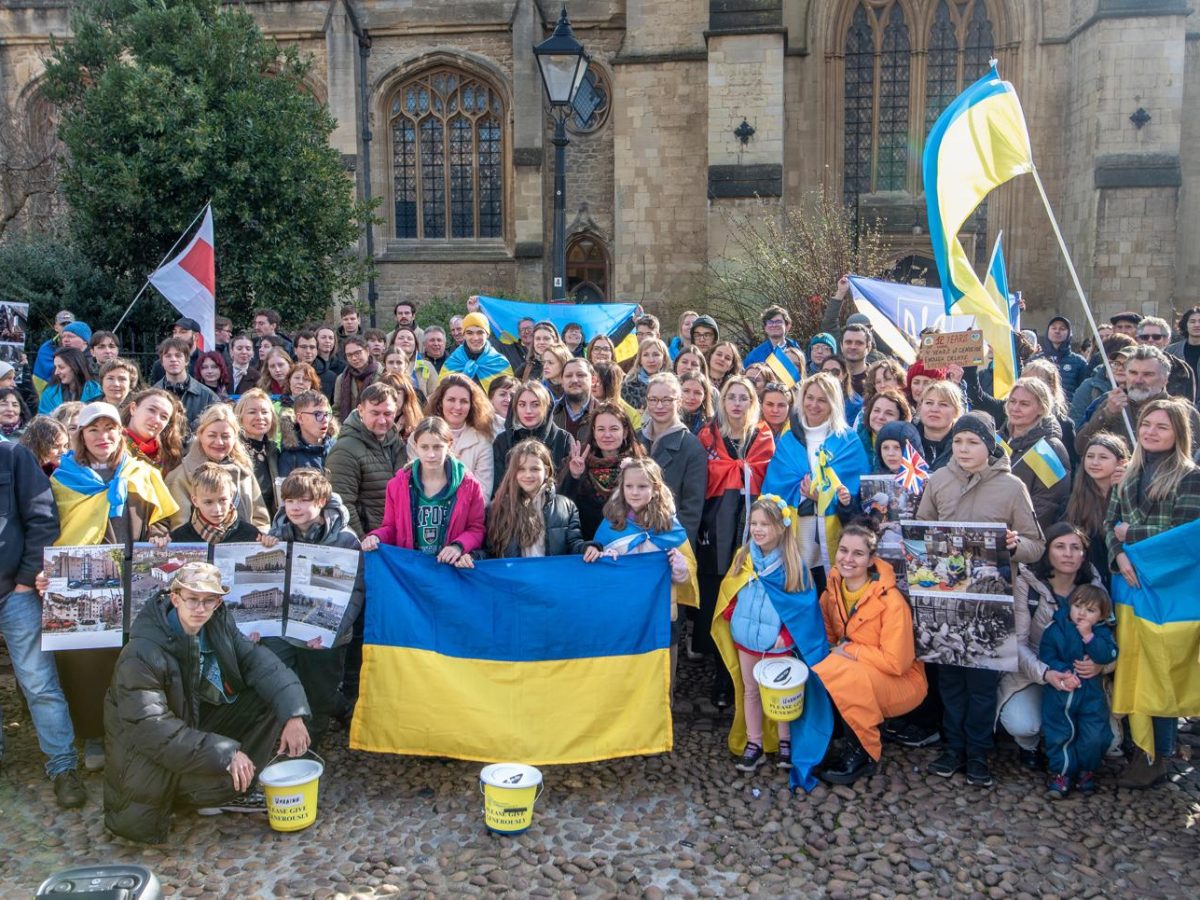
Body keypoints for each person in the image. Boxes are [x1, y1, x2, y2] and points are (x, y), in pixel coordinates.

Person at [103, 562, 311, 842]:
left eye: (209, 601)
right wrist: (226, 753)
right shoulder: (141, 652)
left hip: (192, 725)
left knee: (271, 698)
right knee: (223, 767)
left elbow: (262, 665)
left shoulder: (217, 623)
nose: (200, 608)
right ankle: (205, 792)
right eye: (192, 599)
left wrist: (293, 714)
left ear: (218, 602)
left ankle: (236, 786)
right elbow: (152, 731)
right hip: (151, 759)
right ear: (175, 598)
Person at [49, 401, 179, 774]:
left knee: (135, 657)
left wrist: (158, 534)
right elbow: (50, 529)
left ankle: (137, 731)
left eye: (109, 429)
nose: (102, 437)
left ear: (120, 432)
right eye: (93, 430)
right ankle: (94, 735)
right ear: (81, 436)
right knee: (87, 662)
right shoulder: (62, 479)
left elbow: (162, 520)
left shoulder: (142, 473)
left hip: (133, 582)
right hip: (83, 584)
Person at [917, 411, 1045, 788]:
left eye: (972, 442)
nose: (964, 449)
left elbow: (1035, 545)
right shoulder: (938, 480)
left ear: (989, 447)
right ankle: (952, 748)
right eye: (958, 442)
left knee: (982, 685)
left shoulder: (1011, 487)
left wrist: (1014, 544)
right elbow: (921, 530)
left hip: (991, 604)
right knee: (951, 680)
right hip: (947, 599)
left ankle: (978, 752)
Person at [1105, 398, 1200, 788]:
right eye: (1147, 424)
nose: (1150, 431)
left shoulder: (1191, 475)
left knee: (1162, 672)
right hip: (1129, 587)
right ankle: (1142, 752)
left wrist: (1133, 539)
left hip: (1168, 592)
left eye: (1162, 426)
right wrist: (1118, 557)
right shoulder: (1129, 473)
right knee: (1135, 670)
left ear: (1179, 433)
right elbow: (1110, 524)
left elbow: (1188, 536)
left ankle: (1160, 752)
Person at [711, 495, 828, 781]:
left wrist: (786, 634)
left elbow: (802, 609)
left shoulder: (791, 565)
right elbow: (731, 590)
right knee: (750, 691)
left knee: (782, 695)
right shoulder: (744, 557)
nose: (758, 529)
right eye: (754, 523)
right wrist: (732, 615)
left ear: (780, 527)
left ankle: (785, 741)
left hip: (777, 645)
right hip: (746, 640)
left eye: (765, 524)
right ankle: (755, 742)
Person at [0, 439, 86, 808]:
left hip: (13, 590)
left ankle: (63, 766)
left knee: (39, 682)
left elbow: (41, 516)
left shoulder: (11, 454)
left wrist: (24, 579)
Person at [813, 523, 927, 784]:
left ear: (871, 560)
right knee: (825, 667)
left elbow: (897, 663)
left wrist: (849, 651)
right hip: (858, 670)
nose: (848, 559)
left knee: (841, 670)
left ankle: (862, 753)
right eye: (843, 550)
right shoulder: (833, 590)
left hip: (902, 682)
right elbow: (828, 633)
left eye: (858, 554)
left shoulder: (892, 602)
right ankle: (834, 737)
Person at [259, 469, 363, 744]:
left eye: (303, 500)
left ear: (321, 501)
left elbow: (355, 592)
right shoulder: (277, 533)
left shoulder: (346, 540)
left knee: (320, 693)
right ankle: (295, 741)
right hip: (284, 631)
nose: (295, 507)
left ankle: (316, 739)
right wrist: (268, 544)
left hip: (327, 635)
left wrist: (331, 632)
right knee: (283, 684)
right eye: (290, 500)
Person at [997, 523, 1110, 772]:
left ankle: (1073, 753)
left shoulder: (1094, 586)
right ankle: (1030, 746)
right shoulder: (1027, 583)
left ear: (1084, 553)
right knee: (1024, 723)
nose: (1068, 553)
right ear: (1047, 550)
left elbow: (1112, 640)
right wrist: (1046, 673)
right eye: (1060, 546)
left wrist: (1102, 664)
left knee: (1110, 740)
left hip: (1083, 681)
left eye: (1075, 547)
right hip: (1036, 672)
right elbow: (1017, 643)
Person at [587, 457, 698, 693]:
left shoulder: (670, 525)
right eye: (629, 486)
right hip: (625, 614)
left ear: (655, 488)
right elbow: (597, 571)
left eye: (642, 486)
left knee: (663, 675)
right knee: (628, 675)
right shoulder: (610, 525)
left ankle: (663, 720)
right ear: (621, 488)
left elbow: (689, 571)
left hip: (664, 615)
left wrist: (679, 567)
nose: (635, 492)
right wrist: (604, 560)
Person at [696, 376, 775, 707]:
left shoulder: (764, 438)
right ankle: (722, 674)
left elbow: (769, 479)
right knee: (717, 604)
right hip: (715, 534)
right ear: (723, 401)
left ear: (752, 402)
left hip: (753, 532)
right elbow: (701, 480)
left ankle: (752, 678)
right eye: (732, 397)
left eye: (744, 397)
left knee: (749, 606)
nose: (738, 403)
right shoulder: (707, 437)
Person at [762, 372, 869, 592]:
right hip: (796, 530)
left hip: (833, 532)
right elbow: (775, 484)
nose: (814, 405)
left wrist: (825, 496)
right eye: (809, 398)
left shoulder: (849, 440)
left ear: (833, 404)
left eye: (822, 400)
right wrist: (803, 493)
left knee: (827, 592)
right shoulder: (789, 437)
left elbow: (857, 490)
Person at [362, 416, 487, 563]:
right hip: (412, 568)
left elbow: (476, 529)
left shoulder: (470, 485)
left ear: (449, 445)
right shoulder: (397, 485)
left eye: (437, 447)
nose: (431, 454)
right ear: (415, 446)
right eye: (424, 447)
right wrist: (376, 536)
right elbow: (391, 527)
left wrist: (458, 546)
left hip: (449, 569)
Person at [1039, 585, 1118, 799]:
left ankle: (1087, 770)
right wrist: (1063, 672)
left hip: (1092, 697)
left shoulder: (1101, 633)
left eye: (1090, 610)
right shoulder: (1056, 628)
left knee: (1094, 736)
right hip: (1060, 696)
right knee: (1060, 735)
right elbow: (1046, 654)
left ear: (1101, 615)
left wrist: (1089, 638)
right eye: (1078, 606)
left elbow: (1108, 654)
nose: (1082, 613)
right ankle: (1061, 773)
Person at [1076, 345, 1200, 456]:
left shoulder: (1185, 412)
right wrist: (1107, 414)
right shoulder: (1111, 403)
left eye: (1148, 374)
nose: (1138, 380)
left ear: (1165, 379)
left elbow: (1191, 458)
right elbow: (1081, 448)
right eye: (1133, 373)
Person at [166, 404, 270, 532]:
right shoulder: (181, 476)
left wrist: (255, 541)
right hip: (201, 548)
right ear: (200, 434)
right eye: (212, 435)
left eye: (225, 436)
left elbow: (261, 520)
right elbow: (179, 528)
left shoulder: (245, 473)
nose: (219, 442)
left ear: (235, 438)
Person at [326, 382, 407, 537]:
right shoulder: (345, 450)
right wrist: (362, 540)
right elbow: (342, 503)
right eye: (375, 413)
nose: (382, 420)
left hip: (395, 536)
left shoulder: (396, 442)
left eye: (388, 414)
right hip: (369, 541)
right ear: (361, 410)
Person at [637, 373, 707, 547]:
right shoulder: (636, 439)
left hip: (669, 541)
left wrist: (676, 546)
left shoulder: (692, 447)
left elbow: (691, 510)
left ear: (679, 401)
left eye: (667, 400)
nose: (659, 406)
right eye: (653, 399)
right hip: (633, 538)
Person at [484, 439, 585, 558]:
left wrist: (588, 548)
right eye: (521, 469)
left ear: (546, 472)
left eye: (535, 469)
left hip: (550, 575)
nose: (528, 475)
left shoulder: (566, 507)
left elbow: (574, 545)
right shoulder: (497, 508)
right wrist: (471, 556)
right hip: (514, 576)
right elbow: (489, 552)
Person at [561, 401, 644, 539]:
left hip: (627, 545)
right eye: (601, 429)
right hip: (587, 547)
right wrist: (574, 476)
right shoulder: (580, 459)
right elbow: (564, 507)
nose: (607, 435)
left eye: (613, 429)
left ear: (625, 432)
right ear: (593, 432)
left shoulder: (639, 464)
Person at [999, 378, 1072, 534]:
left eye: (1024, 404)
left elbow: (1047, 503)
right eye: (1012, 401)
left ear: (1041, 408)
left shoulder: (1049, 448)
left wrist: (1018, 536)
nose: (1015, 408)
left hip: (1022, 539)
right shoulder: (996, 440)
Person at [1065, 432, 1130, 589]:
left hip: (1125, 575)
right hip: (1088, 580)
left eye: (1103, 457)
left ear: (1121, 462)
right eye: (1090, 456)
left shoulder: (1131, 493)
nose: (1094, 462)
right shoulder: (1075, 499)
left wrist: (1126, 487)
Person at [492, 380, 574, 496]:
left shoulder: (563, 439)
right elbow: (498, 486)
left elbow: (566, 489)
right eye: (522, 404)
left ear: (546, 407)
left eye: (535, 404)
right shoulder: (502, 441)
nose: (528, 411)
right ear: (515, 408)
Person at [423, 373, 496, 498]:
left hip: (468, 513)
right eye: (451, 400)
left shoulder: (482, 441)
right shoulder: (419, 437)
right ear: (440, 402)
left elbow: (483, 493)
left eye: (464, 401)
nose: (457, 407)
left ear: (471, 405)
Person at [169, 462, 264, 544]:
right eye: (208, 502)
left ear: (231, 496)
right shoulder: (179, 538)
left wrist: (268, 543)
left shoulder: (251, 535)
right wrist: (161, 544)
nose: (217, 509)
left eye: (223, 500)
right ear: (195, 501)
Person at [154, 337, 220, 430]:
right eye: (168, 356)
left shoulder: (208, 397)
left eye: (178, 355)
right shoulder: (151, 396)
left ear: (187, 360)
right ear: (161, 362)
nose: (173, 359)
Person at [235, 389, 280, 519]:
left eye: (265, 412)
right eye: (252, 412)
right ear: (240, 417)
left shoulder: (273, 451)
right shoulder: (233, 452)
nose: (259, 417)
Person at [442, 313, 513, 392]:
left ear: (487, 334)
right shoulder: (453, 362)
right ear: (464, 335)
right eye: (469, 333)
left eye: (480, 332)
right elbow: (442, 394)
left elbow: (509, 397)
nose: (475, 338)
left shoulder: (500, 363)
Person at [121, 388, 186, 475]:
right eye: (151, 410)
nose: (156, 420)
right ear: (133, 409)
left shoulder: (169, 456)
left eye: (164, 417)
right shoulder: (112, 445)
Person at [1137, 315, 1196, 403]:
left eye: (1156, 337)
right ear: (1138, 339)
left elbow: (1188, 405)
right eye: (1145, 337)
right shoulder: (1126, 364)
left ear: (1166, 340)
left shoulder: (1182, 369)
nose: (1150, 340)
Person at [279, 389, 338, 476]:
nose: (325, 420)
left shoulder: (337, 448)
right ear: (300, 418)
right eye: (317, 414)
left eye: (326, 414)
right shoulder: (290, 457)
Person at [914, 380, 964, 470]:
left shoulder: (966, 443)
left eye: (943, 404)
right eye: (929, 403)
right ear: (920, 406)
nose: (934, 409)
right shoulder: (905, 439)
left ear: (956, 411)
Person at [1034, 315, 1088, 398]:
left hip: (1068, 408)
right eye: (1053, 328)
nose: (1057, 331)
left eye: (1062, 329)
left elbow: (1084, 392)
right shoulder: (1036, 360)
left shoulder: (1079, 362)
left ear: (1069, 333)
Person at [38, 347, 101, 415]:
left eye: (61, 367)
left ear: (76, 367)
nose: (56, 372)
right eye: (55, 367)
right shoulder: (50, 394)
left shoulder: (96, 391)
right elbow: (44, 420)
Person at [333, 335, 379, 422]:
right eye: (349, 355)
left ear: (367, 351)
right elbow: (337, 410)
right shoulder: (342, 379)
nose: (354, 358)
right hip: (349, 429)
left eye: (357, 353)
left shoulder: (383, 374)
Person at [855, 388, 910, 455]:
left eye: (889, 413)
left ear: (901, 419)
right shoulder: (854, 443)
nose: (881, 417)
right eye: (876, 410)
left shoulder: (908, 451)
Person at [621, 337, 670, 410]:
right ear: (640, 360)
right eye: (646, 355)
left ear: (664, 359)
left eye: (656, 354)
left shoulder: (673, 384)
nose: (651, 360)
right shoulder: (628, 386)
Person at [552, 357, 595, 441]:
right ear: (562, 381)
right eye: (568, 376)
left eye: (580, 375)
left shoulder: (604, 413)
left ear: (593, 380)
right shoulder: (549, 411)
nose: (574, 380)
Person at [1166, 306, 1200, 398]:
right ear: (1185, 325)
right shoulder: (1170, 351)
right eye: (1192, 321)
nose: (1197, 325)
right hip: (1178, 403)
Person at [821, 355, 863, 424]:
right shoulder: (813, 399)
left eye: (835, 372)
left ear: (844, 375)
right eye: (825, 372)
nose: (829, 376)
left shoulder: (856, 405)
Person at [840, 324, 873, 396]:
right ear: (841, 346)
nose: (853, 347)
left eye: (859, 343)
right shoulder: (833, 376)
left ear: (869, 347)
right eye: (848, 342)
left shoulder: (876, 379)